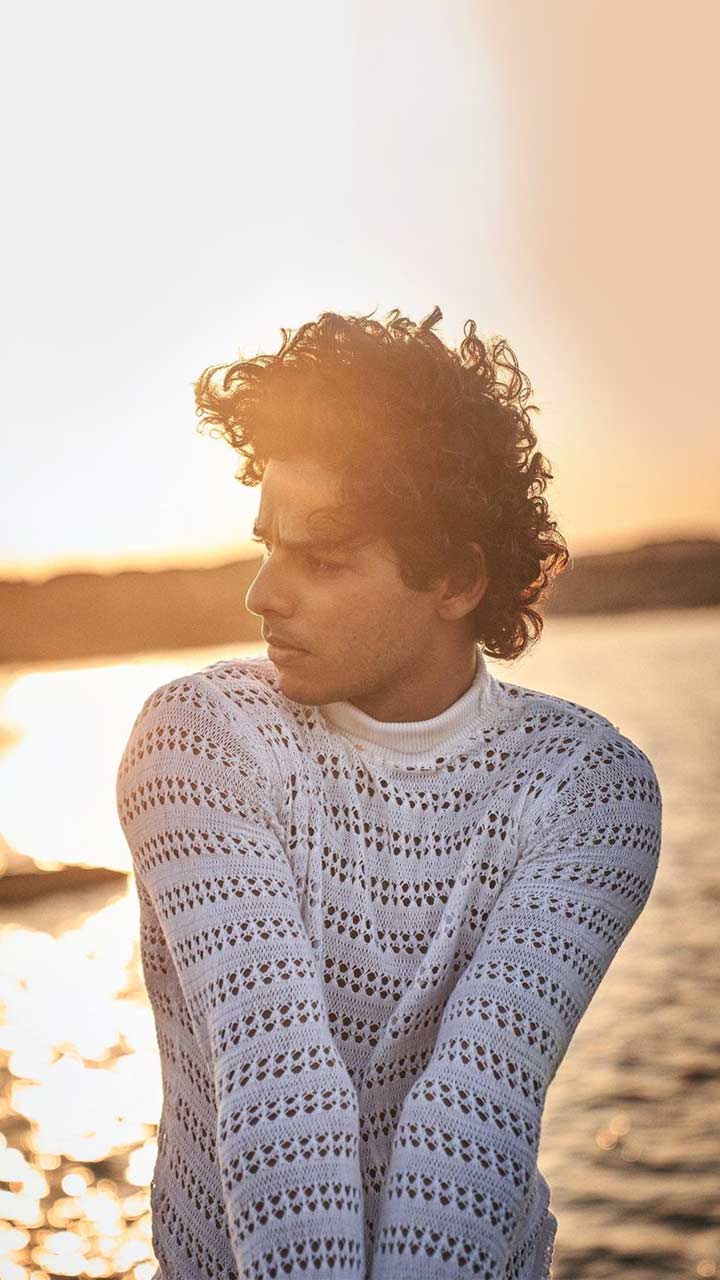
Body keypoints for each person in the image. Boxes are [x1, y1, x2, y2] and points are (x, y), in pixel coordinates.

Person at [116, 305, 662, 1280]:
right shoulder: (197, 738)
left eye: (322, 558)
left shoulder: (588, 786)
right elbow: (278, 1082)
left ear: (455, 578)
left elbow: (477, 1109)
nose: (263, 594)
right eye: (267, 543)